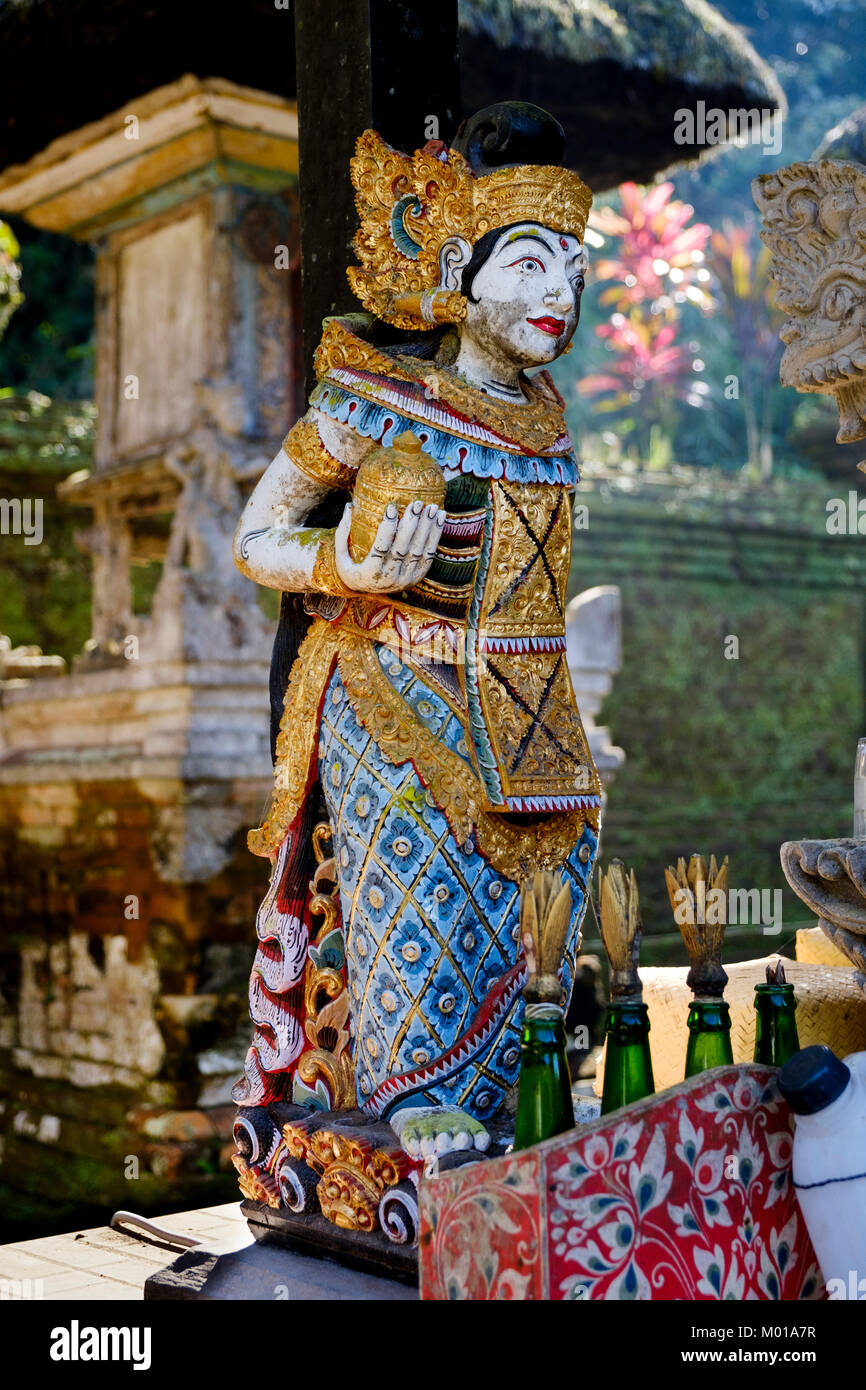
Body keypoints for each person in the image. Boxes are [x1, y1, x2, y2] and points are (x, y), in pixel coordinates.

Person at [232, 102, 601, 1155]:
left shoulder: (546, 425)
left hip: (530, 702)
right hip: (396, 688)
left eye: (572, 269)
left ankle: (520, 1093)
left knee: (548, 893)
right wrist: (342, 562)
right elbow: (257, 535)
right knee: (421, 890)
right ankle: (409, 1097)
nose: (557, 295)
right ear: (455, 269)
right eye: (528, 264)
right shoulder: (376, 401)